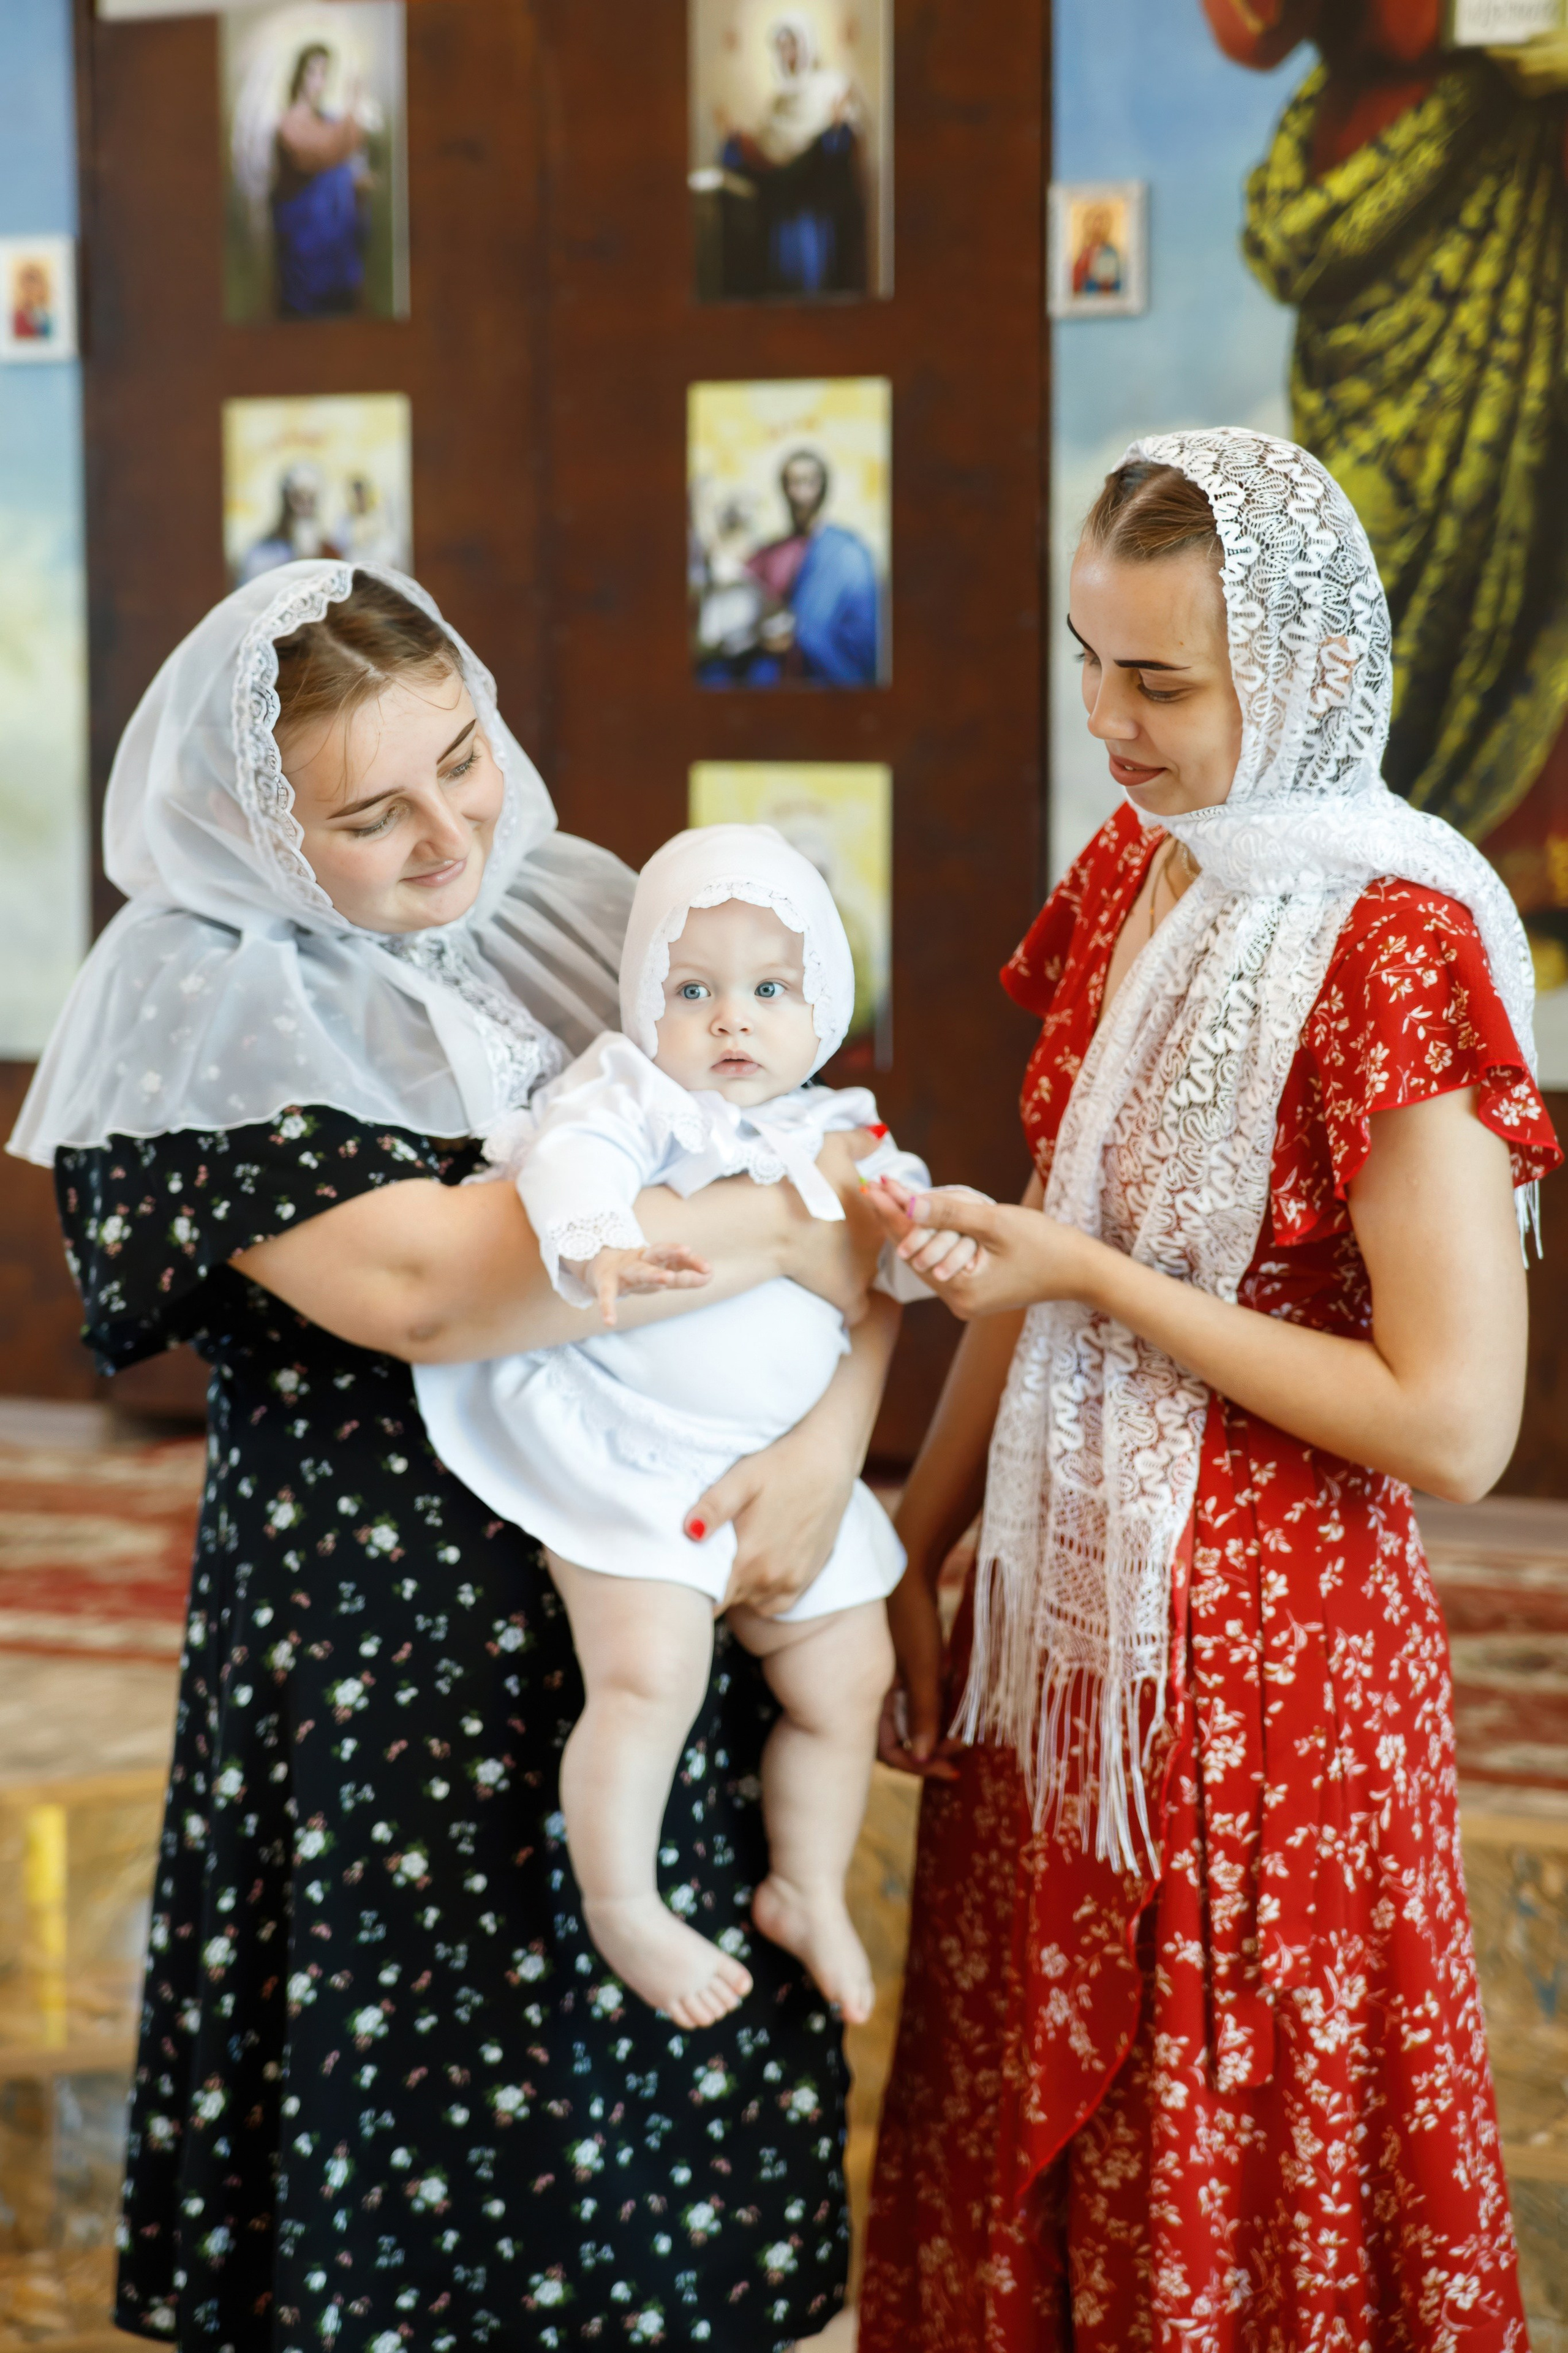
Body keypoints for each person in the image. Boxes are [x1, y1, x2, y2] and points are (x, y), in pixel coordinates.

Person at [12, 562, 897, 2349]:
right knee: (428, 2108)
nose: (449, 834)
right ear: (257, 827)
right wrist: (796, 1220)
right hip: (387, 1658)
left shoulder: (583, 907)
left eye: (464, 757)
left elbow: (861, 1222)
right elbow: (427, 1287)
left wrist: (826, 1444)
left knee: (663, 2099)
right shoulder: (189, 998)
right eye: (369, 815)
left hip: (657, 1568)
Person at [857, 429, 1559, 2347]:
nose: (1107, 722)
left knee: (1225, 2144)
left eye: (1157, 681)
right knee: (1042, 2111)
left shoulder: (1395, 941)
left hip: (1265, 1688)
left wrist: (1102, 1281)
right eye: (1087, 661)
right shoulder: (1143, 865)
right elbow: (1043, 1240)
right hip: (1055, 1639)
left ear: (1305, 669)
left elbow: (1454, 1425)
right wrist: (916, 1543)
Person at [417, 823, 974, 2034]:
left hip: (781, 1466)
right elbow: (572, 1156)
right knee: (647, 1676)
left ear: (823, 1006)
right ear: (642, 1001)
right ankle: (622, 1902)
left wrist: (932, 1242)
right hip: (632, 1456)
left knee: (850, 1674)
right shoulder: (633, 1095)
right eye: (692, 991)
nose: (731, 1020)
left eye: (771, 991)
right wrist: (596, 1238)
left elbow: (895, 1248)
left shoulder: (843, 1128)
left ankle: (805, 1884)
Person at [1206, 0, 1568, 988]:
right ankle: (1377, 885)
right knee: (1373, 564)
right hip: (1396, 182)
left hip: (1539, 185)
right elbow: (1250, 24)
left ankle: (1524, 880)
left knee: (1538, 529)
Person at [713, 12, 868, 296]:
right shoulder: (778, 103)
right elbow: (765, 155)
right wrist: (736, 141)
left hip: (814, 214)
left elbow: (840, 151)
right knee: (782, 285)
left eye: (792, 45)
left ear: (807, 45)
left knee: (814, 285)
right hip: (782, 213)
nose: (787, 54)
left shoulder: (831, 87)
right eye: (781, 47)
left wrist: (835, 130)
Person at [697, 451, 881, 689]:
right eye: (791, 482)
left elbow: (862, 640)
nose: (799, 492)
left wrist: (798, 639)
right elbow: (735, 583)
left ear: (824, 488)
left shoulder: (849, 553)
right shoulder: (771, 553)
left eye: (808, 481)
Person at [270, 41, 369, 319]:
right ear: (299, 75)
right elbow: (323, 151)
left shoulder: (327, 120)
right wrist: (354, 105)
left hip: (336, 250)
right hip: (307, 249)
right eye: (312, 72)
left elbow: (341, 157)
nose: (319, 81)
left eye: (324, 73)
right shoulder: (290, 124)